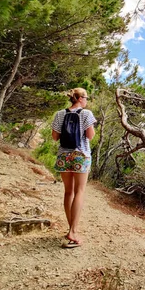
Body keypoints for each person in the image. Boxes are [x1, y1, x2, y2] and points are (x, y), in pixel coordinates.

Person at [51, 87, 96, 248]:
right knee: (79, 192)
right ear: (80, 98)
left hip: (64, 156)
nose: (87, 100)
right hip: (81, 156)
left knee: (68, 192)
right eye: (86, 97)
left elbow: (55, 137)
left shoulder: (59, 114)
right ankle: (73, 230)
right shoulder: (86, 114)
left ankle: (71, 229)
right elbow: (90, 136)